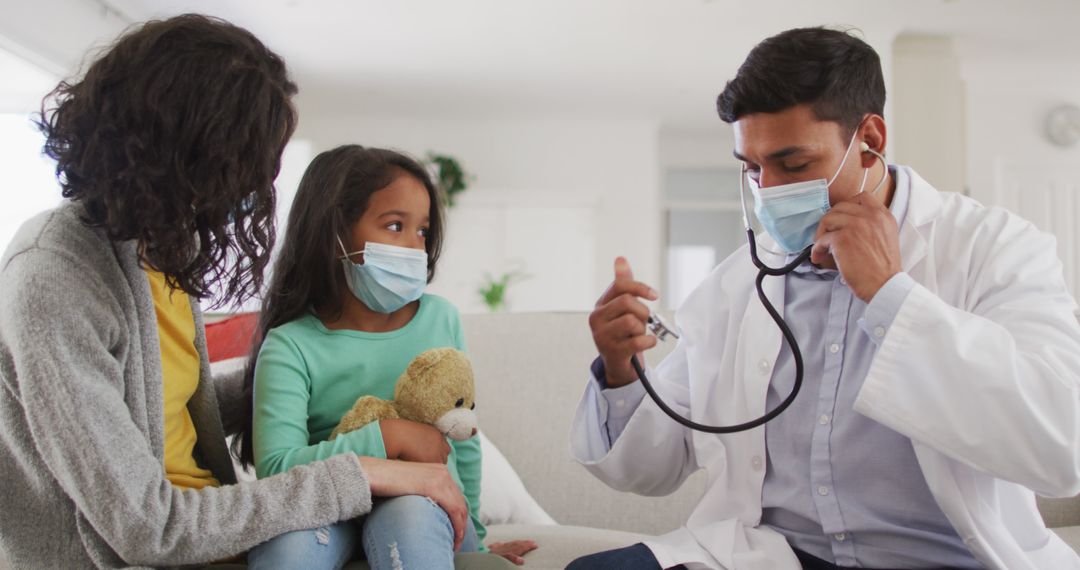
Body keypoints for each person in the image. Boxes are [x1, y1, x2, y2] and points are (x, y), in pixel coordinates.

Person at [567, 27, 1080, 570]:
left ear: (870, 140)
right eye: (752, 168)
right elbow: (656, 466)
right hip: (775, 557)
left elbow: (1060, 448)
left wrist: (890, 296)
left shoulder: (995, 248)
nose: (768, 191)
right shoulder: (738, 280)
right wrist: (622, 369)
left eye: (793, 165)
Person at [0, 15, 470, 569]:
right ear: (182, 156)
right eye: (243, 164)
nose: (254, 187)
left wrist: (309, 378)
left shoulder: (156, 247)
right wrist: (366, 467)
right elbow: (150, 528)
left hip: (216, 535)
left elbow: (166, 411)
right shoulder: (54, 279)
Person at [236, 145, 536, 569]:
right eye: (395, 226)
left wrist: (476, 545)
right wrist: (387, 436)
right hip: (324, 505)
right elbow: (278, 470)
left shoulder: (440, 319)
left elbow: (463, 442)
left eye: (422, 232)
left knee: (413, 521)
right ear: (333, 232)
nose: (415, 247)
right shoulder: (291, 344)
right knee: (289, 548)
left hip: (417, 502)